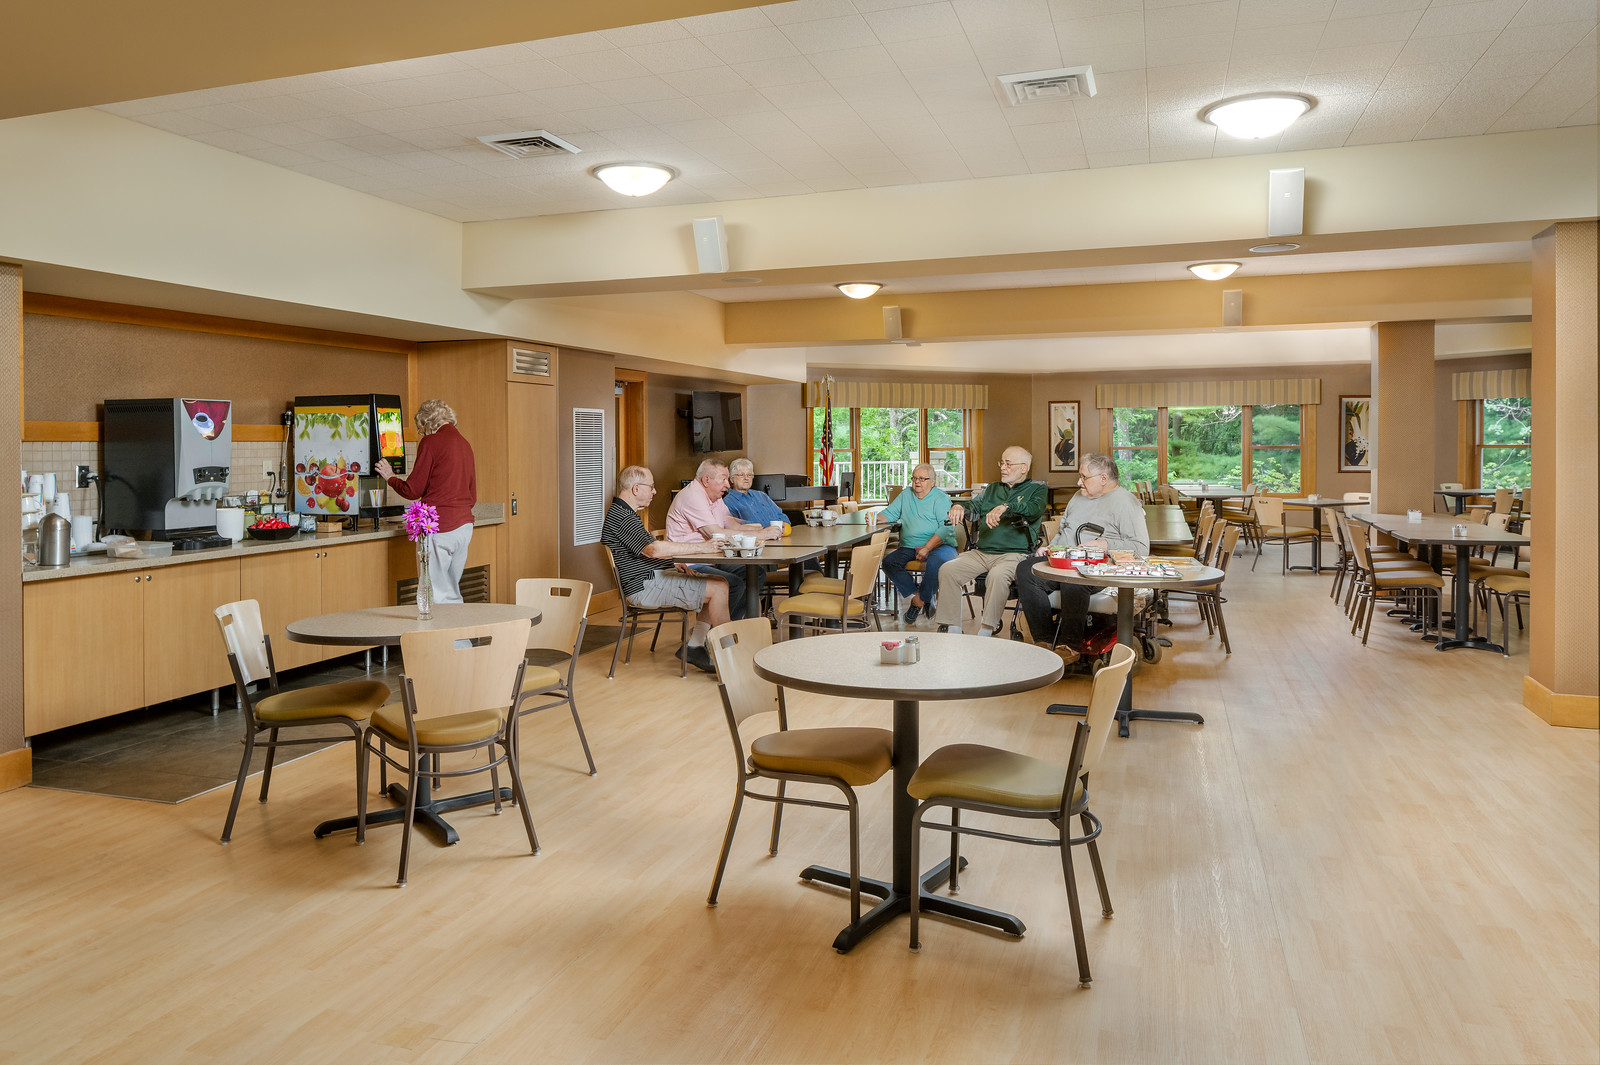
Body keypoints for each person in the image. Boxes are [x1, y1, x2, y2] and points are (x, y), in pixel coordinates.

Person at [1013, 452, 1149, 663]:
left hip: (1099, 568)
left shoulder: (1126, 503)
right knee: (1025, 569)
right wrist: (1050, 547)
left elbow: (1141, 548)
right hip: (1065, 560)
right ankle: (1044, 640)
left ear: (1103, 478)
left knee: (1075, 577)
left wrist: (1105, 545)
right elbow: (1064, 530)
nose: (1079, 482)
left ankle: (1070, 646)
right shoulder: (1078, 497)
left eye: (1084, 477)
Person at [601, 465, 731, 674]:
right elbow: (653, 549)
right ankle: (731, 657)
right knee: (718, 589)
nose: (654, 491)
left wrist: (673, 563)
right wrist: (703, 547)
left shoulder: (625, 513)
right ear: (636, 489)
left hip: (652, 578)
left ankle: (695, 646)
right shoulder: (622, 517)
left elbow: (646, 551)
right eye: (651, 487)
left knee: (719, 583)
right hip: (644, 586)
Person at [931, 446, 1046, 636]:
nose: (1003, 467)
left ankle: (986, 631)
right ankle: (953, 629)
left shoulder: (1037, 488)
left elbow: (1034, 508)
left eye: (1008, 464)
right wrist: (959, 507)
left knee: (997, 576)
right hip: (981, 552)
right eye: (1002, 462)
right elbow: (973, 507)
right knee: (948, 570)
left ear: (1024, 468)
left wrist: (1006, 507)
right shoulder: (992, 488)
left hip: (1014, 554)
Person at [375, 399, 476, 605]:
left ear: (427, 423)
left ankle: (439, 627)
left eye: (421, 429)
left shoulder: (431, 442)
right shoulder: (465, 444)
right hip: (464, 528)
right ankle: (458, 626)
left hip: (439, 527)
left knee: (434, 594)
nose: (423, 434)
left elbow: (413, 490)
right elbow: (472, 496)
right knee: (451, 592)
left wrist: (390, 477)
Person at [665, 458, 780, 620]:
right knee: (734, 583)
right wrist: (762, 535)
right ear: (706, 480)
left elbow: (730, 523)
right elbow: (716, 533)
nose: (727, 485)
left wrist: (761, 529)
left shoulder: (715, 497)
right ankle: (715, 629)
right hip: (689, 563)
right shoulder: (692, 496)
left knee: (756, 574)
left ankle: (729, 623)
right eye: (724, 479)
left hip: (711, 558)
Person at [874, 463, 955, 625]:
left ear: (933, 481)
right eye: (914, 478)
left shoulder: (941, 498)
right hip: (910, 545)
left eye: (922, 479)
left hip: (941, 545)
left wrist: (927, 547)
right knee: (889, 562)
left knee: (936, 563)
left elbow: (946, 528)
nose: (917, 482)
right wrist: (874, 518)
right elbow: (889, 514)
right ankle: (923, 597)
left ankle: (918, 602)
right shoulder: (906, 495)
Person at [722, 458, 790, 530]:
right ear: (731, 479)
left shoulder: (762, 495)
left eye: (749, 475)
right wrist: (766, 530)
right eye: (741, 475)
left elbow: (782, 517)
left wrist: (784, 526)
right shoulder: (727, 503)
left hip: (781, 535)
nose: (746, 478)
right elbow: (736, 530)